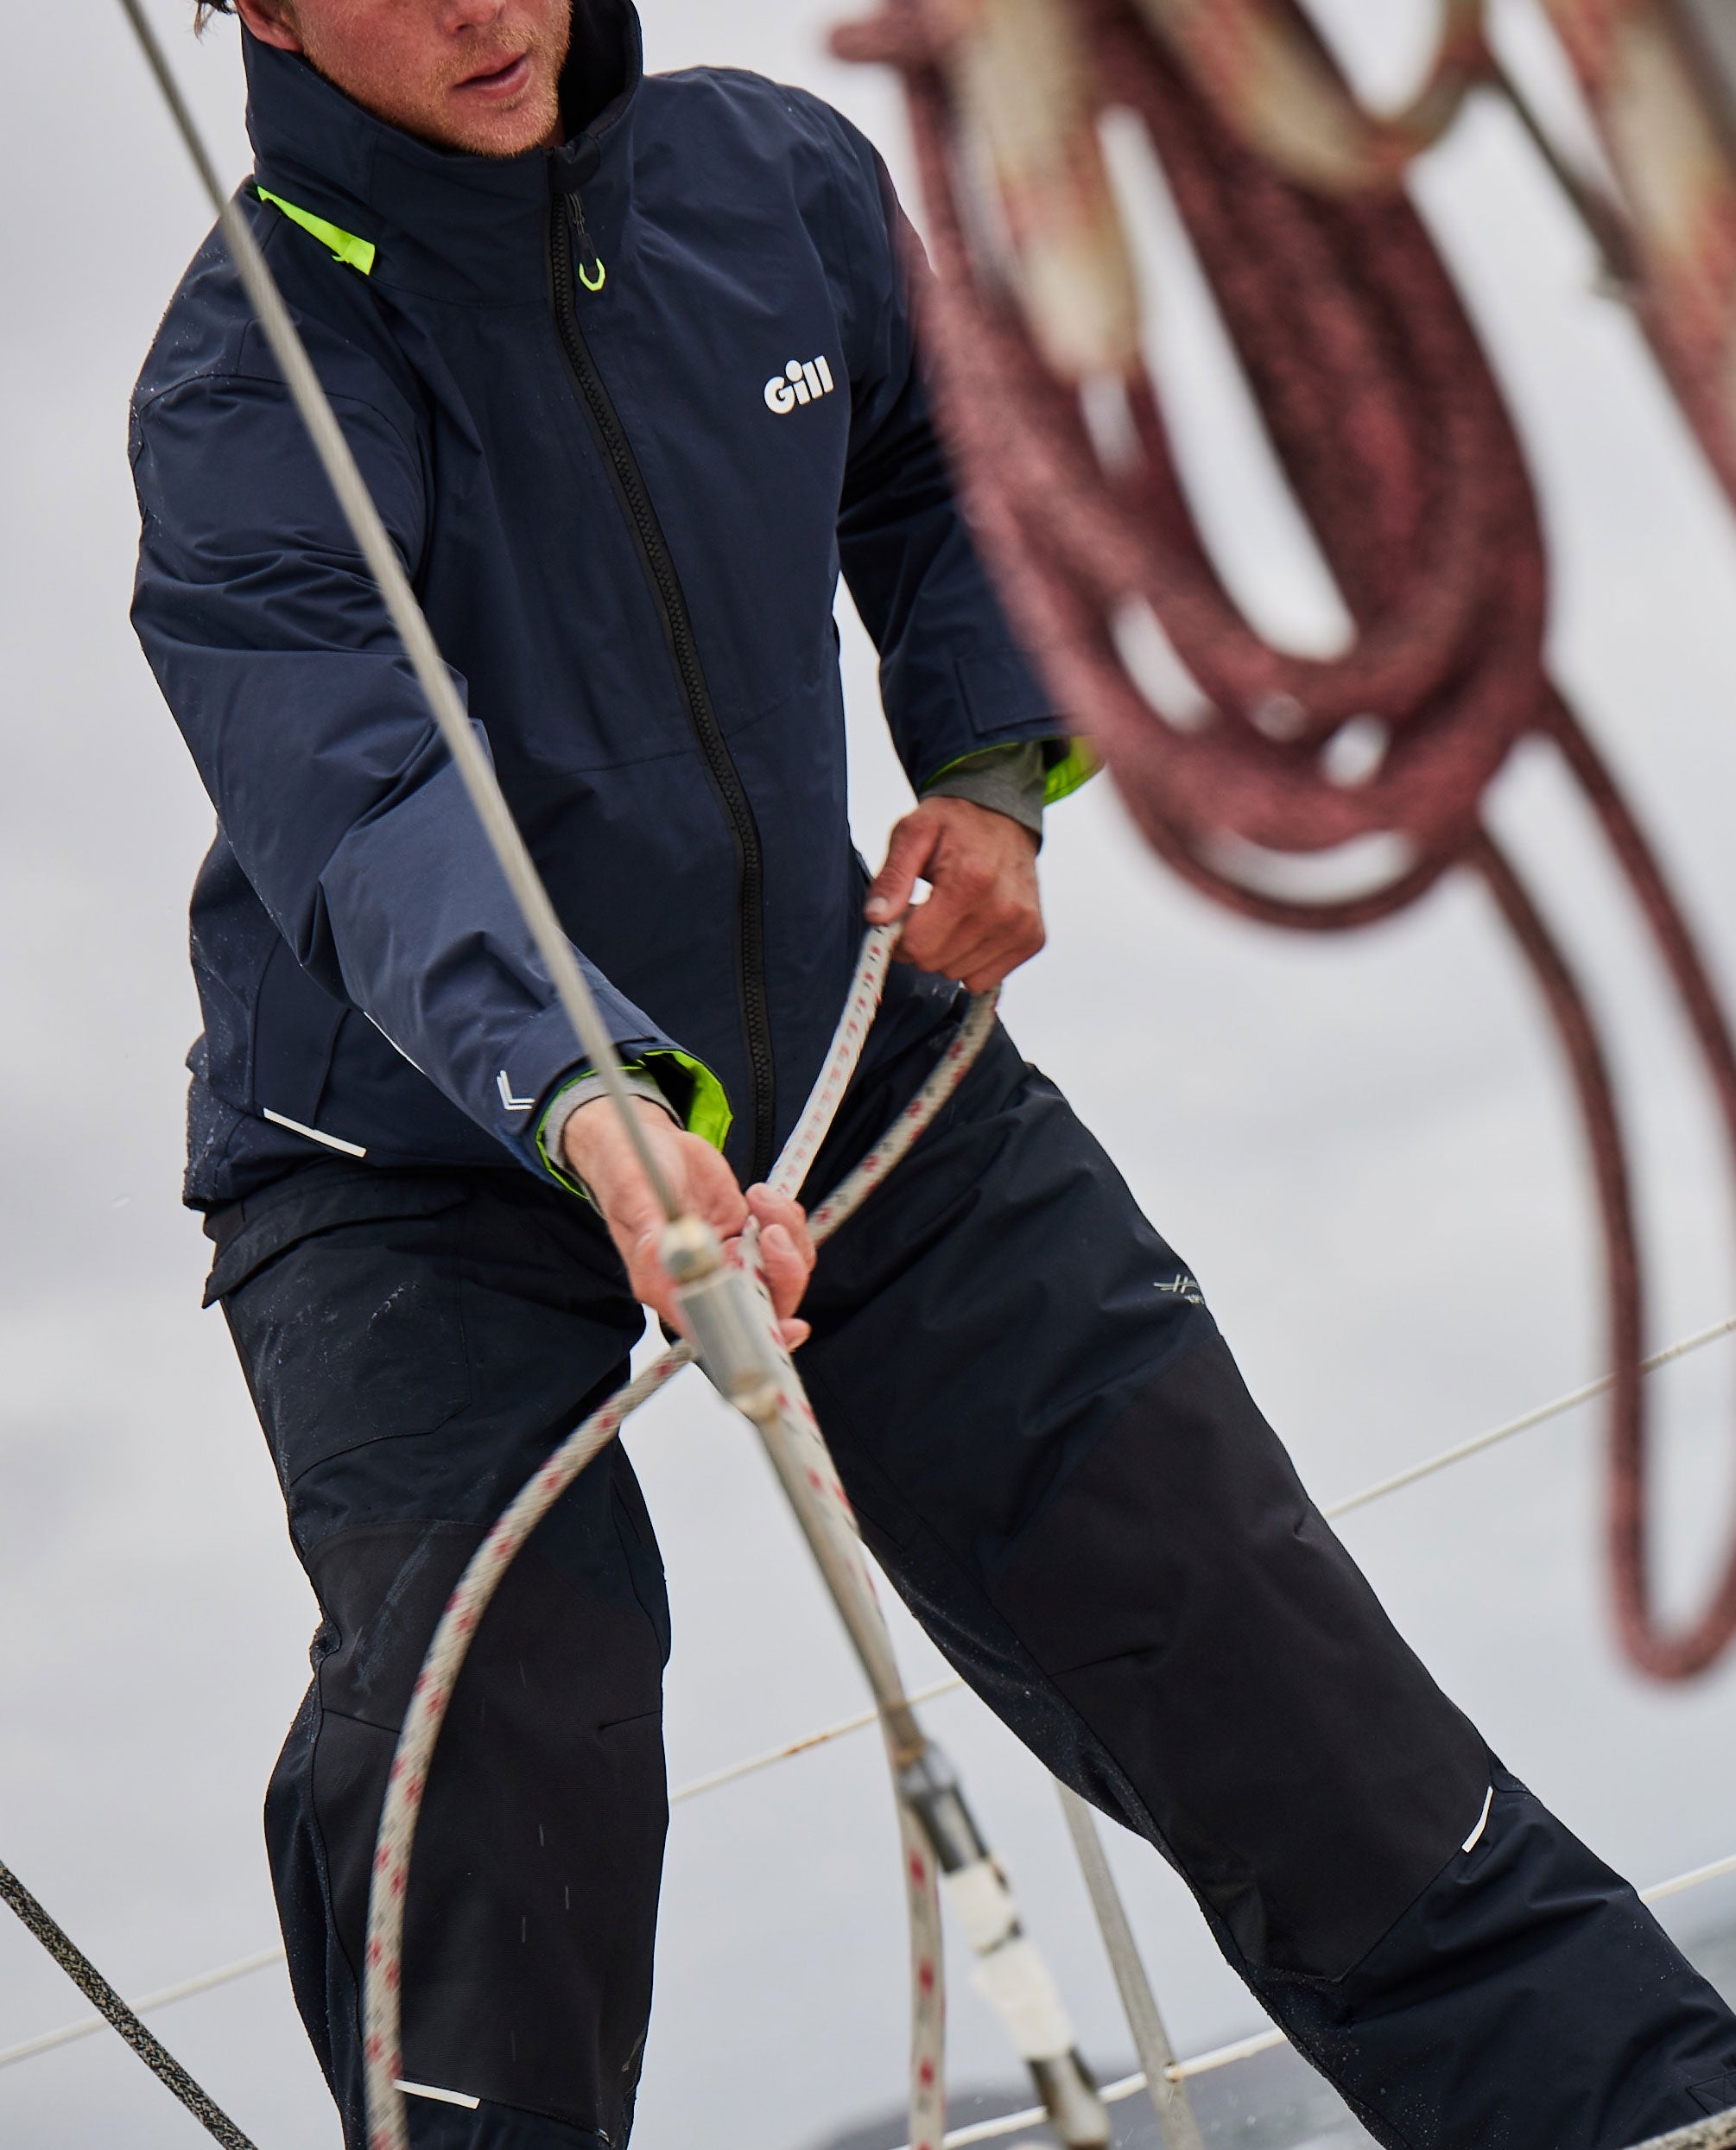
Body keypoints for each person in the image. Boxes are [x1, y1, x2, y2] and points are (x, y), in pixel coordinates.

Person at [129, 1, 1736, 2144]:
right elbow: (361, 793)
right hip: (405, 1147)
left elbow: (948, 460)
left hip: (826, 1039)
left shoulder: (777, 185)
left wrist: (991, 764)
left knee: (1229, 1610)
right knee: (511, 1713)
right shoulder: (242, 387)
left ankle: (1645, 2113)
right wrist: (592, 1096)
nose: (478, 5)